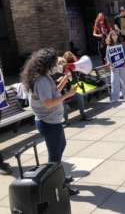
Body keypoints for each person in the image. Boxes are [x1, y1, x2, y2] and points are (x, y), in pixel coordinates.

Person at [20, 48, 78, 195]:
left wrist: (63, 83)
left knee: (60, 146)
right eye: (53, 63)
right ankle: (58, 185)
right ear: (47, 64)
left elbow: (51, 95)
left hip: (50, 121)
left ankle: (58, 179)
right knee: (54, 156)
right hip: (49, 122)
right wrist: (68, 95)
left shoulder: (41, 77)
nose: (55, 66)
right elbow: (48, 103)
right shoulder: (42, 80)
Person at [105, 30, 125, 103]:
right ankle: (114, 98)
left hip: (123, 65)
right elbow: (107, 57)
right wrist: (110, 64)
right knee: (114, 82)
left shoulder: (122, 44)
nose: (115, 36)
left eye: (116, 35)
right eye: (113, 35)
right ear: (110, 36)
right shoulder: (108, 46)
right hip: (114, 67)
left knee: (124, 81)